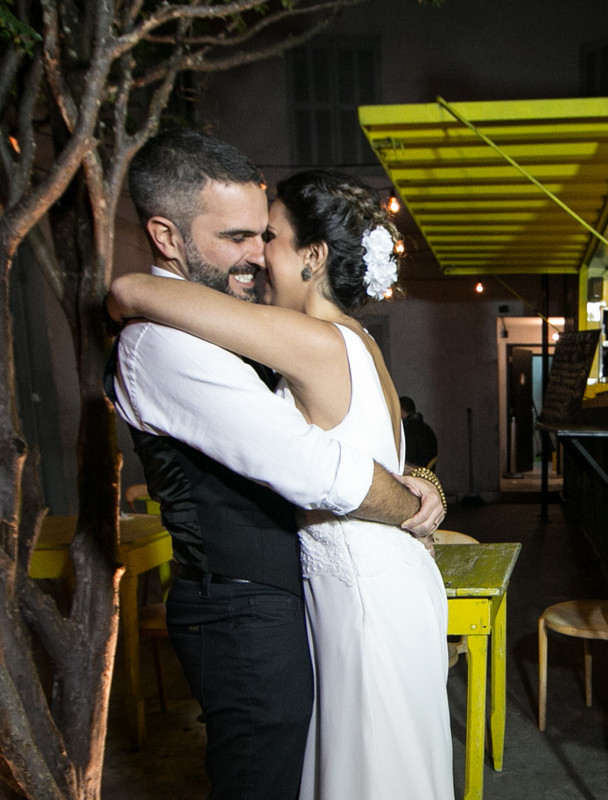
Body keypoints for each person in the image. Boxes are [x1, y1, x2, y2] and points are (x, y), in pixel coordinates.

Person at [109, 129, 447, 799]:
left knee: (369, 770)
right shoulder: (350, 340)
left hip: (359, 589)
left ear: (312, 257)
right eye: (240, 236)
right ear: (167, 236)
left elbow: (324, 467)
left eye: (266, 237)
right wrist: (418, 491)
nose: (258, 254)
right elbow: (344, 456)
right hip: (359, 584)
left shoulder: (308, 338)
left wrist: (130, 288)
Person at [400, 395, 439, 471]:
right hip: (426, 473)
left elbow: (406, 457)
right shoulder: (427, 429)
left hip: (411, 472)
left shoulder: (407, 430)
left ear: (401, 410)